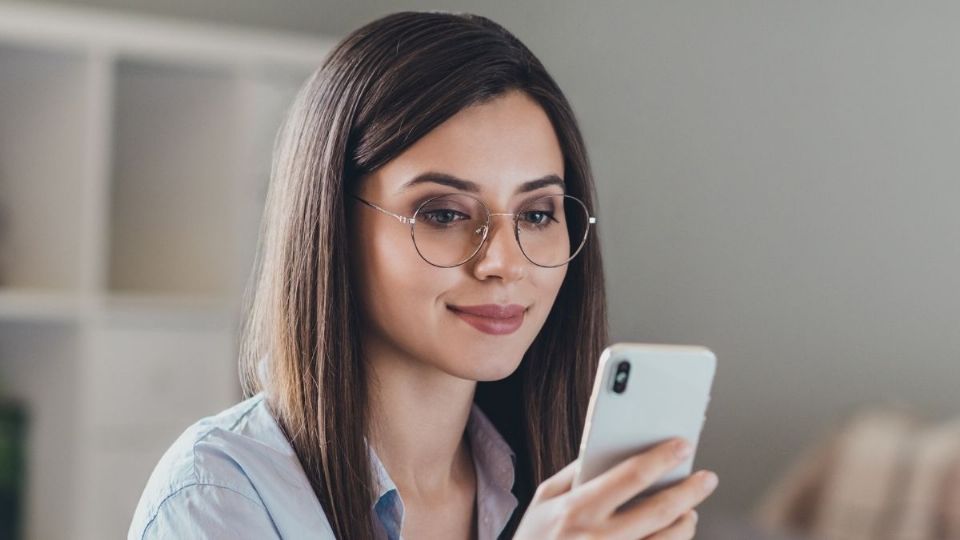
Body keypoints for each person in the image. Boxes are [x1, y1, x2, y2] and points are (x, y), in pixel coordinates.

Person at [128, 11, 718, 540]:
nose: (503, 262)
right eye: (443, 214)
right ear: (331, 222)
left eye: (537, 214)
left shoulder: (549, 490)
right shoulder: (216, 497)